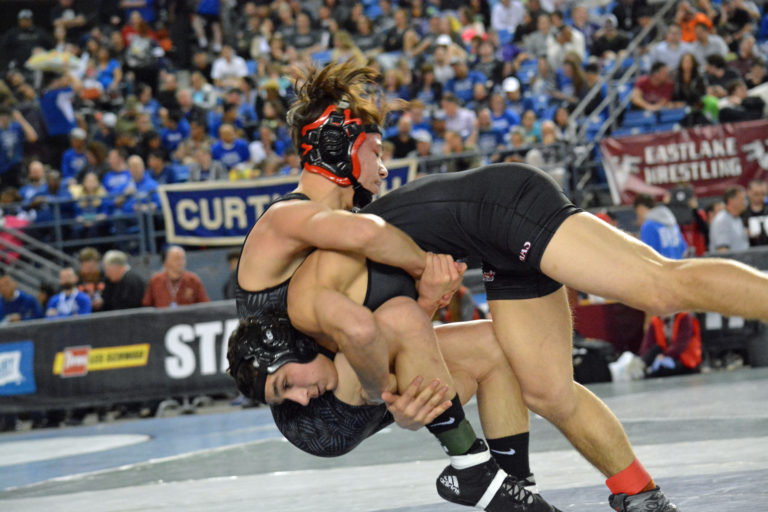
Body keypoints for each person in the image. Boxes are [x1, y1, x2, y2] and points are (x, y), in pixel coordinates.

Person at [232, 61, 768, 511]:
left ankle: (479, 472)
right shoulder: (316, 256)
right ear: (339, 148)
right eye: (376, 151)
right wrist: (423, 293)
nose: (385, 169)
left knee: (658, 288)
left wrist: (420, 273)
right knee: (547, 390)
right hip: (489, 236)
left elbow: (374, 278)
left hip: (504, 209)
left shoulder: (309, 240)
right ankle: (637, 496)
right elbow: (392, 313)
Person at [142, 246, 210, 307]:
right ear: (166, 262)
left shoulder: (193, 280)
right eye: (176, 259)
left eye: (182, 258)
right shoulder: (155, 280)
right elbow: (147, 305)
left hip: (188, 319)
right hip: (163, 319)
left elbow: (205, 305)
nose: (180, 262)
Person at [638, 312, 702, 378]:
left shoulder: (683, 317)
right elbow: (646, 345)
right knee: (655, 349)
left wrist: (664, 355)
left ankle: (643, 368)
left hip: (684, 362)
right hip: (664, 358)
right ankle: (640, 366)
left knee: (658, 372)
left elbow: (681, 344)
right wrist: (647, 358)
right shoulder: (656, 320)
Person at [633, 194, 688, 259]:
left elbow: (648, 255)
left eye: (637, 213)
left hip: (661, 267)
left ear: (640, 208)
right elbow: (684, 249)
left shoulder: (648, 226)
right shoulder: (672, 223)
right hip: (678, 265)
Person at [709, 185, 749, 253]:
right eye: (743, 199)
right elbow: (722, 251)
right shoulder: (722, 221)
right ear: (731, 201)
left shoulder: (737, 219)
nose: (745, 202)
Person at [742, 179, 768, 246]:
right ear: (748, 192)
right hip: (749, 251)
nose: (760, 197)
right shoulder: (742, 212)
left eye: (763, 194)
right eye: (756, 194)